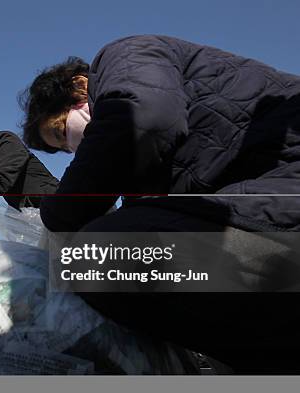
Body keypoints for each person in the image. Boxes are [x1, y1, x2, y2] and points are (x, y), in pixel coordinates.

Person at [20, 35, 300, 373]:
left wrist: (57, 215)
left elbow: (144, 120)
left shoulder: (124, 55)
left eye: (63, 131)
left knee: (103, 253)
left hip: (285, 189)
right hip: (265, 203)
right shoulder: (143, 174)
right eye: (63, 147)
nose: (71, 147)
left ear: (78, 86)